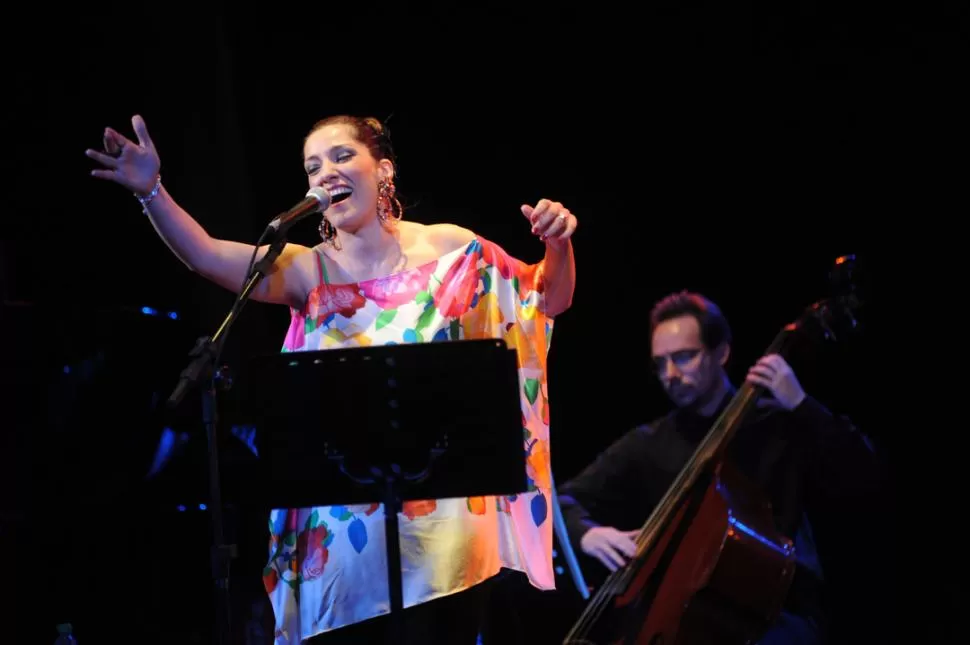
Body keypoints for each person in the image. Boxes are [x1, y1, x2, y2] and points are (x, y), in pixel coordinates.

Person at [85, 114, 578, 644]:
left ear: (383, 169)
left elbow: (545, 298)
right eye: (313, 167)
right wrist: (151, 191)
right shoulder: (307, 270)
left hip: (445, 524)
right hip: (346, 530)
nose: (326, 173)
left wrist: (558, 245)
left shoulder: (453, 250)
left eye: (342, 156)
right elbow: (205, 253)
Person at [557, 291, 881, 645]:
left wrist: (801, 404)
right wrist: (588, 534)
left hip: (778, 613)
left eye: (684, 357)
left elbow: (864, 471)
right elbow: (562, 501)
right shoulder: (648, 443)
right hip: (690, 619)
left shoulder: (777, 423)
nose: (670, 374)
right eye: (660, 363)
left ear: (721, 353)